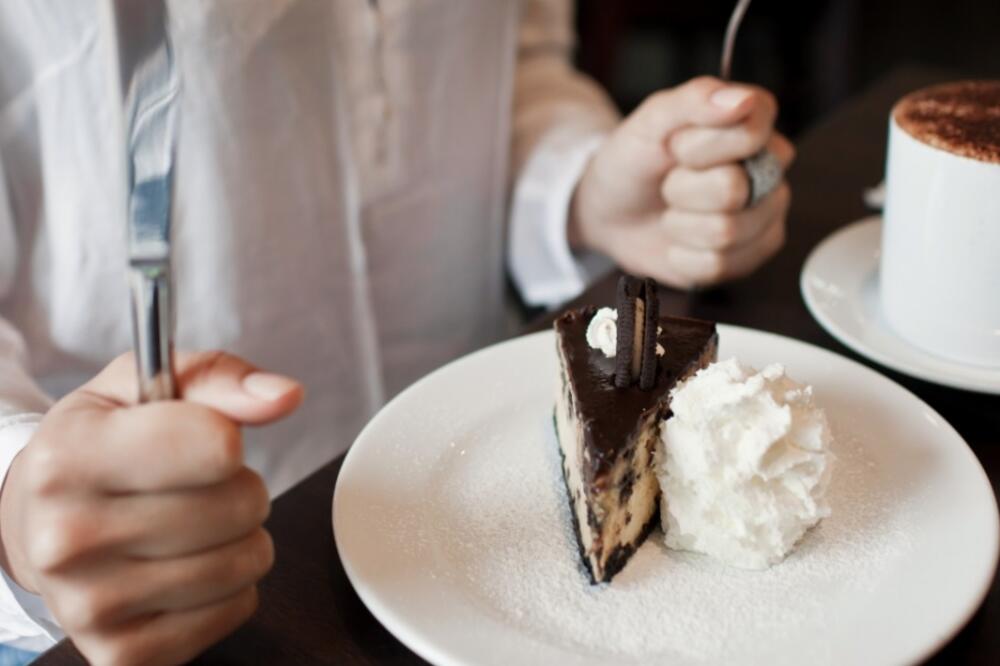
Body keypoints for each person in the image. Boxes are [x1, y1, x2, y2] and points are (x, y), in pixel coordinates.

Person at [0, 1, 793, 663]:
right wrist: (20, 507)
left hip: (481, 511)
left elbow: (520, 56)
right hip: (172, 578)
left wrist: (580, 186)